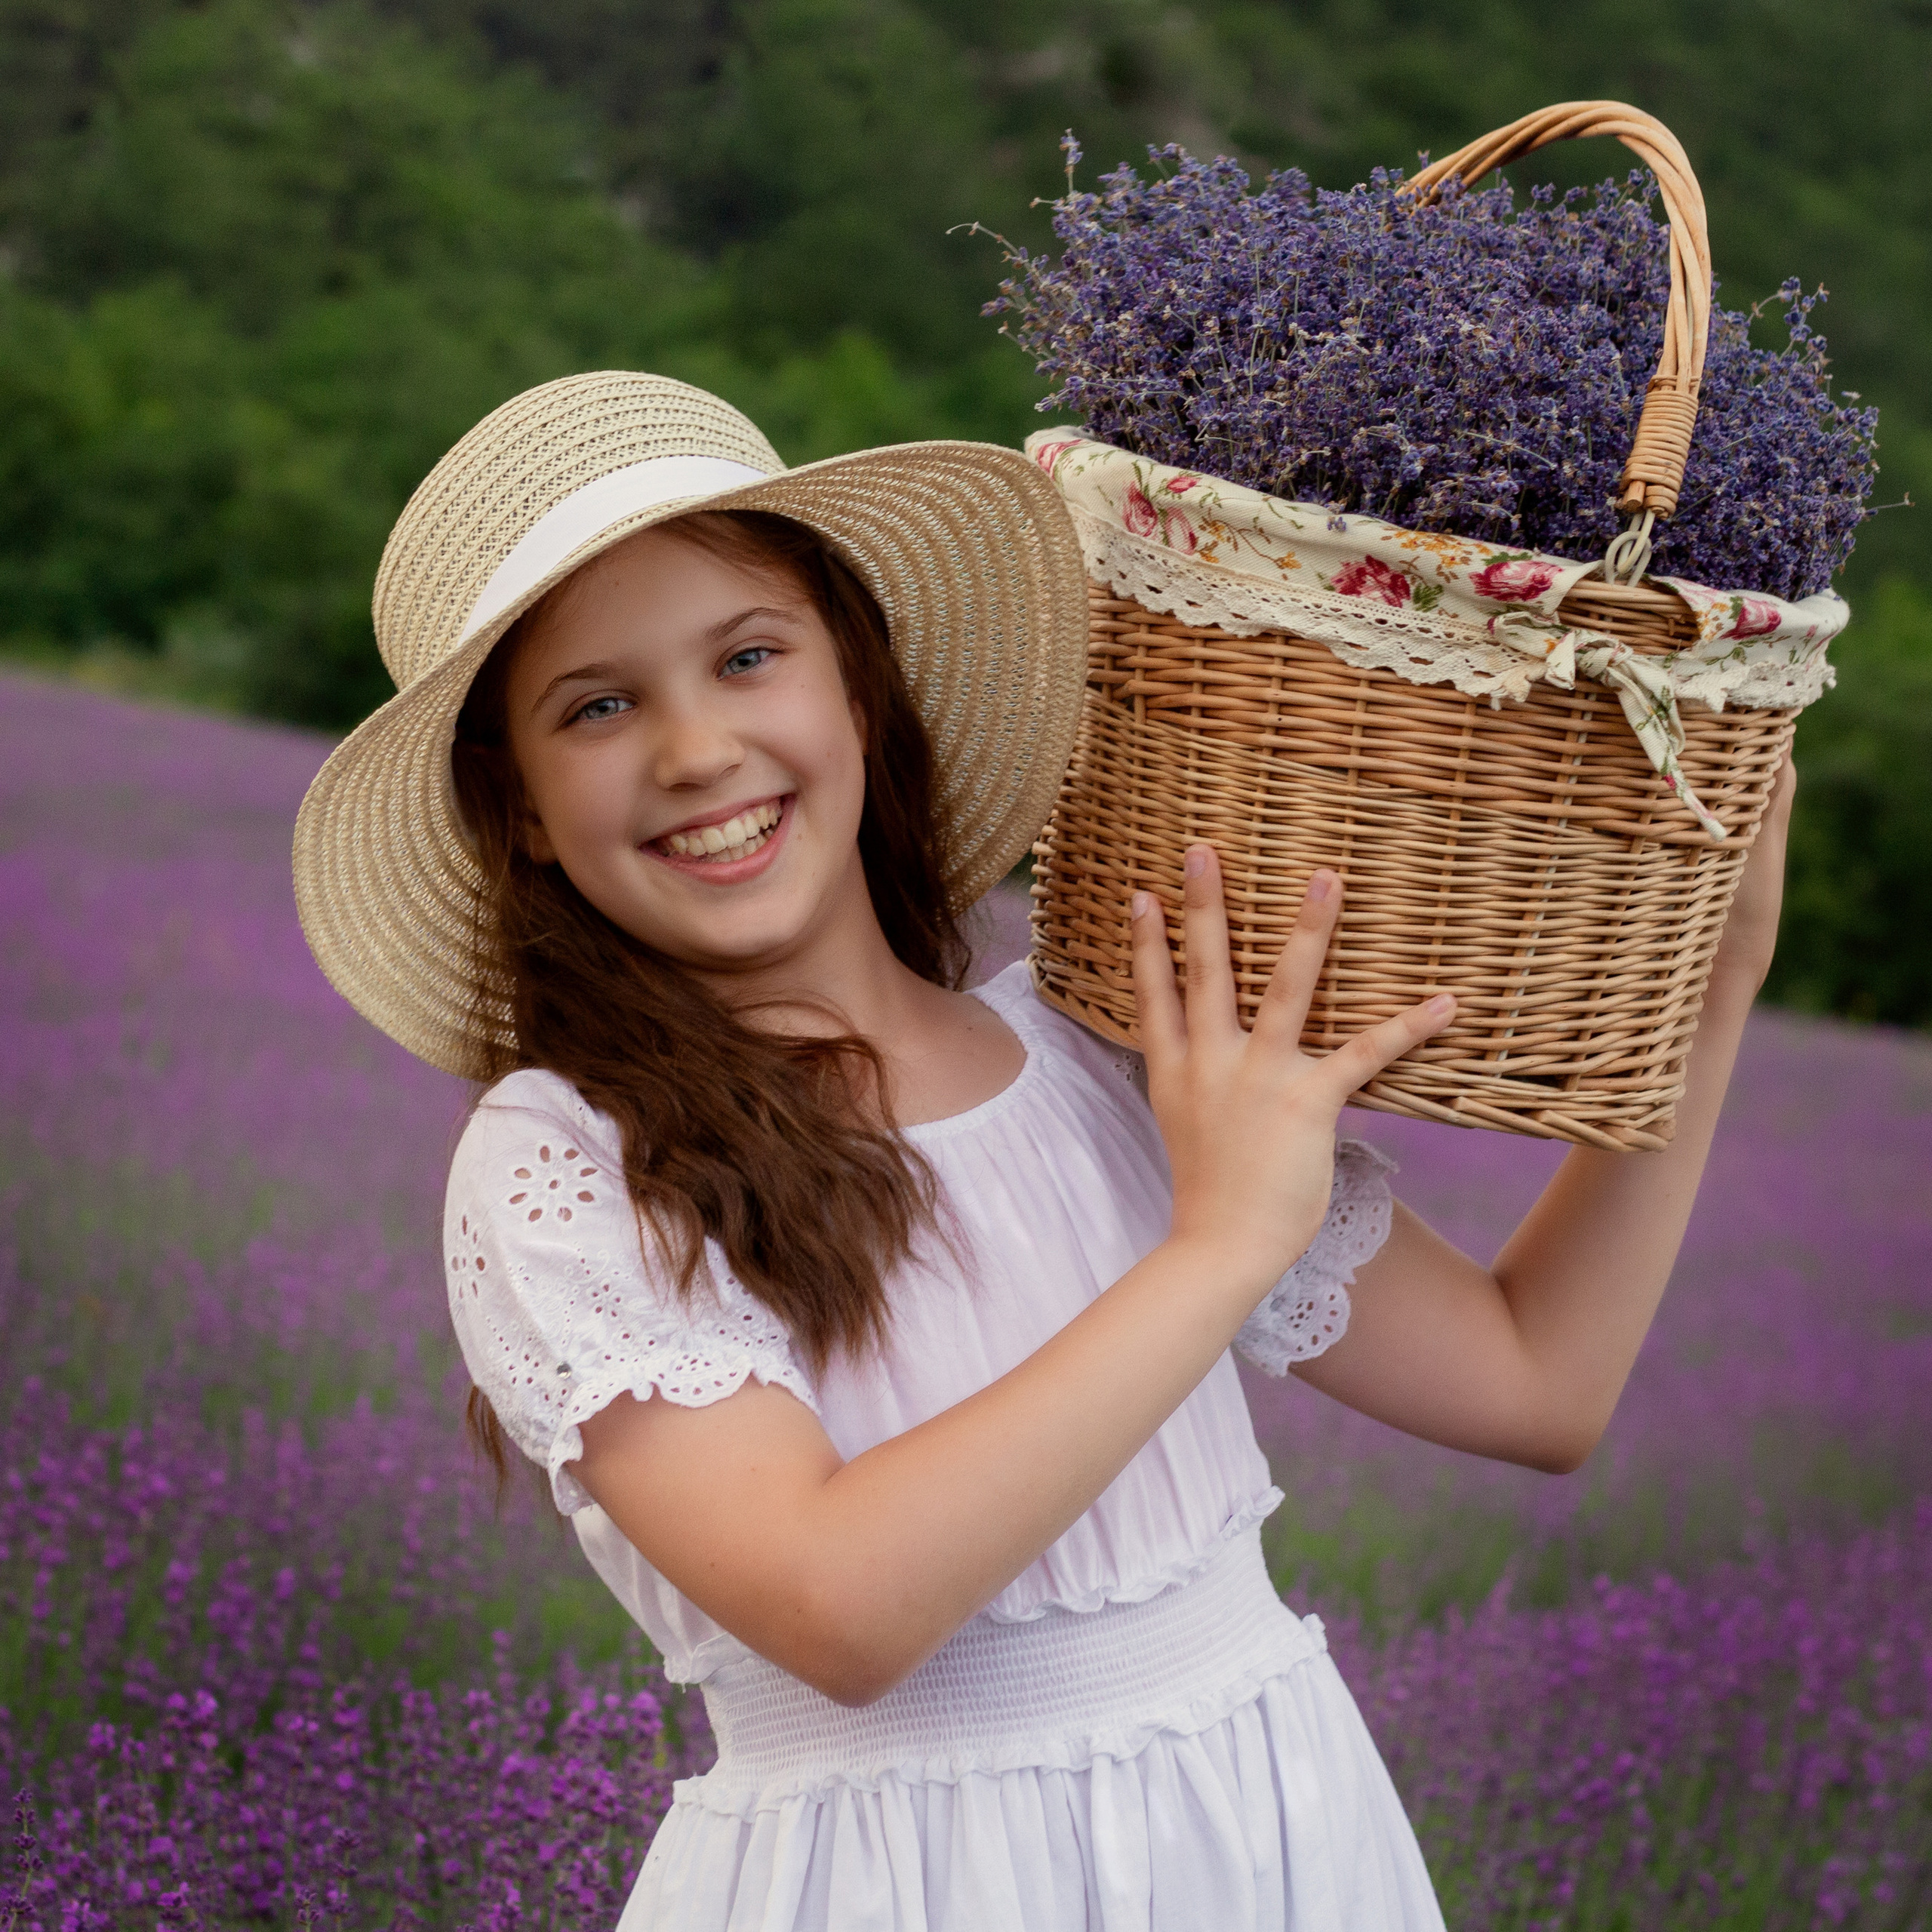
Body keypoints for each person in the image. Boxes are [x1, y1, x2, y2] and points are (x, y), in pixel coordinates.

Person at [293, 371, 1795, 1932]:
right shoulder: (568, 1159)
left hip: (1269, 1846)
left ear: (854, 690)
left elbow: (1532, 1379)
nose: (693, 749)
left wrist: (1717, 983)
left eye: (748, 657)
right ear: (525, 811)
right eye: (595, 706)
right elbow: (837, 1602)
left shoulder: (1095, 1043)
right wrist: (1217, 1245)